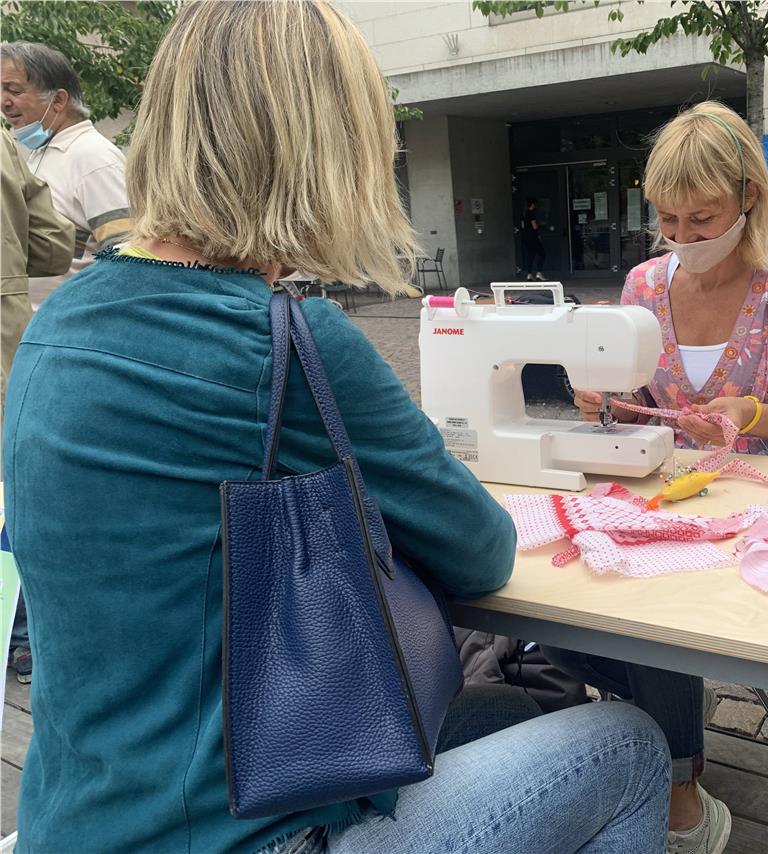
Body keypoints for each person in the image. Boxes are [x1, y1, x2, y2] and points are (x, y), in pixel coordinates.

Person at [2, 3, 671, 852]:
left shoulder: (59, 323)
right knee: (627, 748)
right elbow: (482, 551)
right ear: (330, 154)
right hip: (246, 835)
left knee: (497, 712)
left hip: (74, 822)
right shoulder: (287, 343)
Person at [558, 100, 768, 854]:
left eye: (702, 218)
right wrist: (600, 402)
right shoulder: (644, 286)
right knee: (556, 616)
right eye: (668, 220)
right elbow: (632, 402)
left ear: (749, 196)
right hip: (664, 503)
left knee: (655, 617)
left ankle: (678, 791)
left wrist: (752, 413)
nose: (683, 238)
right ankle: (648, 749)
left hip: (763, 514)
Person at [1, 126, 74, 685]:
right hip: (4, 336)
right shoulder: (4, 143)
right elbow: (53, 246)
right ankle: (23, 637)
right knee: (12, 488)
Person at [0, 41, 130, 293]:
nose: (3, 102)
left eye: (13, 90)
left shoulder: (94, 159)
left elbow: (126, 257)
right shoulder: (42, 153)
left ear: (58, 100)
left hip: (71, 317)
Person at [520, 197, 547, 280]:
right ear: (532, 205)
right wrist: (540, 224)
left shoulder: (524, 214)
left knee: (530, 255)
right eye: (535, 204)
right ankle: (539, 272)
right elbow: (534, 226)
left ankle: (529, 274)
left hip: (526, 238)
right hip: (533, 237)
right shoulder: (531, 213)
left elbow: (523, 226)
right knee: (542, 253)